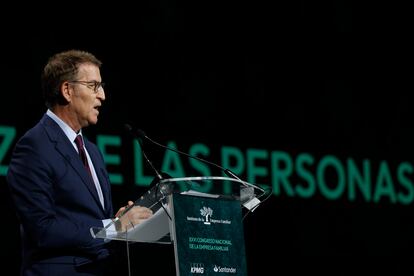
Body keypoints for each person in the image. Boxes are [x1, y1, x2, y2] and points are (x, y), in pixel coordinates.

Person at [7, 49, 153, 275]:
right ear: (67, 90)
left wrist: (117, 220)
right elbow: (42, 229)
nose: (102, 95)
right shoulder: (34, 146)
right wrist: (114, 227)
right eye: (94, 86)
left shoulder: (93, 152)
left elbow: (91, 221)